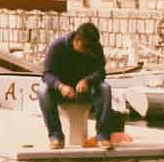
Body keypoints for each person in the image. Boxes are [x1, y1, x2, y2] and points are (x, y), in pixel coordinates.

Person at [39, 21, 115, 149]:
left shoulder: (95, 48)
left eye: (91, 47)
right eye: (86, 47)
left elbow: (101, 73)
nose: (89, 51)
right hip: (62, 90)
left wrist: (87, 80)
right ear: (77, 40)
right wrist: (60, 86)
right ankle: (56, 135)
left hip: (86, 91)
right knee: (43, 91)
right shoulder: (57, 46)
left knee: (105, 88)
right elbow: (46, 74)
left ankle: (103, 135)